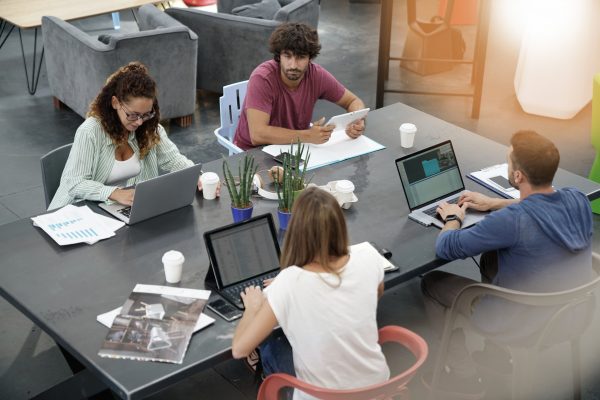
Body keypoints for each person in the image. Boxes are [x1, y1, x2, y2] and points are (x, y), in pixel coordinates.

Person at [421, 130, 593, 393]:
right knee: (492, 258)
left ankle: (462, 374)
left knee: (432, 283)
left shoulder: (513, 221)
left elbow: (447, 247)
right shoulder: (578, 199)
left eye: (508, 161)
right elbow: (538, 207)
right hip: (572, 315)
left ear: (517, 176)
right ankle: (495, 355)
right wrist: (494, 203)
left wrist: (453, 218)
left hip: (523, 322)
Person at [231, 187, 389, 398]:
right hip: (377, 389)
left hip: (322, 397)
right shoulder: (368, 255)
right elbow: (376, 294)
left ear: (297, 232)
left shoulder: (288, 283)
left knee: (270, 343)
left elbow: (239, 349)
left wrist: (252, 307)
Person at [49, 62, 213, 210]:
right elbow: (75, 183)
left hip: (117, 210)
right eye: (133, 115)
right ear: (115, 103)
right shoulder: (90, 131)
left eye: (146, 114)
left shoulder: (149, 129)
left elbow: (174, 160)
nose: (140, 122)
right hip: (77, 212)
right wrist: (114, 193)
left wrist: (201, 176)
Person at [233, 22, 367, 150]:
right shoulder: (262, 78)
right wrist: (308, 136)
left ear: (310, 58)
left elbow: (353, 101)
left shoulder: (316, 75)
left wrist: (356, 121)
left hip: (293, 148)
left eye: (301, 57)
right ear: (279, 55)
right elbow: (257, 135)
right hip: (252, 152)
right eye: (287, 56)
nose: (293, 65)